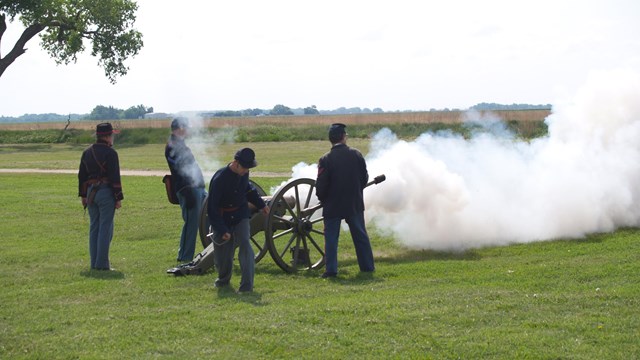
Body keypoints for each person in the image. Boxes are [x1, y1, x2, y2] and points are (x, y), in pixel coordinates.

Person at [316, 123, 374, 278]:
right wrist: (356, 192)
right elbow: (364, 178)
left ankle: (331, 270)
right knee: (360, 236)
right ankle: (367, 267)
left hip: (332, 205)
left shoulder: (325, 159)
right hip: (353, 203)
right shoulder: (356, 154)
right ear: (343, 137)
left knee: (331, 239)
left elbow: (321, 186)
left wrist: (323, 199)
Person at [207, 148, 269, 293]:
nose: (246, 171)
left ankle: (247, 286)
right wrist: (222, 230)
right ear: (235, 163)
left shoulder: (244, 172)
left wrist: (261, 205)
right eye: (244, 168)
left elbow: (248, 190)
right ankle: (223, 281)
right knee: (224, 255)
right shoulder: (219, 179)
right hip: (223, 217)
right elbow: (212, 208)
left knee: (245, 245)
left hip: (241, 214)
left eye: (248, 168)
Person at [78, 122, 124, 270]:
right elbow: (115, 178)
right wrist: (118, 197)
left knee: (94, 228)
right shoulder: (111, 153)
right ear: (108, 136)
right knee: (105, 229)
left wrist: (83, 196)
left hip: (91, 193)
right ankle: (102, 264)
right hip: (105, 192)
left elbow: (82, 176)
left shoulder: (87, 152)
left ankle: (94, 263)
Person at [165, 117, 207, 262]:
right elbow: (179, 170)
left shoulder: (180, 145)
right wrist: (187, 190)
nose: (188, 130)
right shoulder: (172, 146)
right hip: (188, 189)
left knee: (206, 220)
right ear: (180, 128)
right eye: (186, 127)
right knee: (191, 225)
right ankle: (184, 257)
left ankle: (212, 252)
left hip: (197, 187)